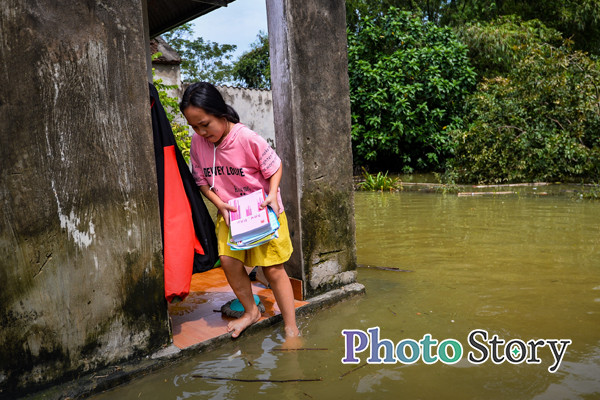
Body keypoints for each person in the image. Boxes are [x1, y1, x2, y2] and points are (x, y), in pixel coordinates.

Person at [180, 82, 300, 339]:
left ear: (221, 114)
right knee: (228, 261)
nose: (201, 132)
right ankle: (251, 312)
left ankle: (291, 326)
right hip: (230, 213)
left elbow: (275, 166)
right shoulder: (197, 142)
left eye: (205, 123)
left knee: (273, 269)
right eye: (194, 126)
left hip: (261, 211)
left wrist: (272, 196)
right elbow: (200, 179)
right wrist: (218, 202)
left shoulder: (246, 138)